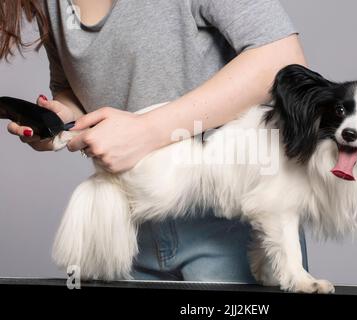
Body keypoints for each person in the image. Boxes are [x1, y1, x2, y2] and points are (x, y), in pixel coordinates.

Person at [0, 0, 308, 282]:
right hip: (127, 231)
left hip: (231, 222)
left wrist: (148, 130)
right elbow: (72, 87)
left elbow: (281, 59)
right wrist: (62, 120)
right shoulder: (49, 4)